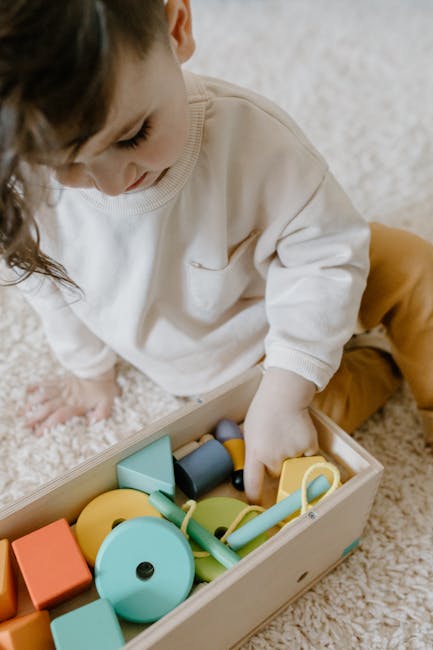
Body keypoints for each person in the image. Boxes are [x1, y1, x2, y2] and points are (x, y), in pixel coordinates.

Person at [0, 1, 431, 504]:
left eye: (134, 135)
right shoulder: (20, 184)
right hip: (235, 364)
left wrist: (288, 385)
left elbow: (326, 248)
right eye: (68, 166)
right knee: (275, 437)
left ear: (177, 28)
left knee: (413, 264)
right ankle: (379, 363)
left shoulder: (251, 136)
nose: (114, 185)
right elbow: (48, 286)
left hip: (292, 273)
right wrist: (90, 373)